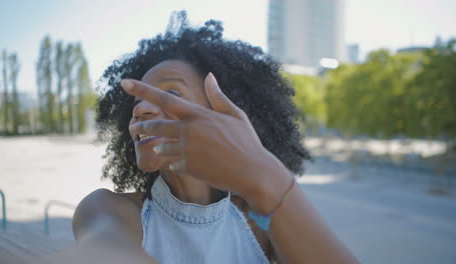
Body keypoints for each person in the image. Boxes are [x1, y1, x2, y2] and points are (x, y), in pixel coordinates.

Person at [73, 11, 358, 264]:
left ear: (225, 117)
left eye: (170, 94)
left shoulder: (261, 224)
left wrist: (260, 168)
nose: (140, 109)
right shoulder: (108, 210)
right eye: (137, 100)